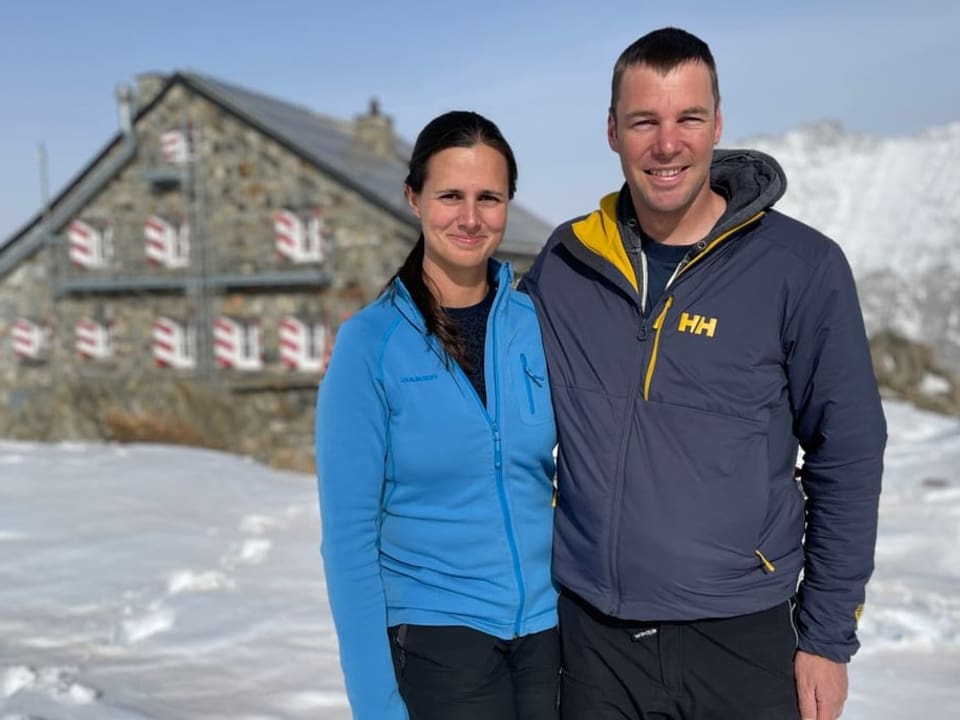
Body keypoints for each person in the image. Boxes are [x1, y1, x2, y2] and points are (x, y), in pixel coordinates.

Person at [520, 27, 886, 720]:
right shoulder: (567, 263)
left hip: (741, 641)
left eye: (688, 118)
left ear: (717, 123)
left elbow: (849, 453)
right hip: (592, 641)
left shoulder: (799, 269)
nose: (667, 144)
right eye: (644, 122)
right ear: (612, 131)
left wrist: (828, 640)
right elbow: (493, 395)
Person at [315, 110, 559, 720]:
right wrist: (375, 703)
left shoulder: (538, 327)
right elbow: (348, 537)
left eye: (489, 198)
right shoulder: (371, 344)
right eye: (450, 195)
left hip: (550, 634)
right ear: (414, 198)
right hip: (437, 641)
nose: (471, 218)